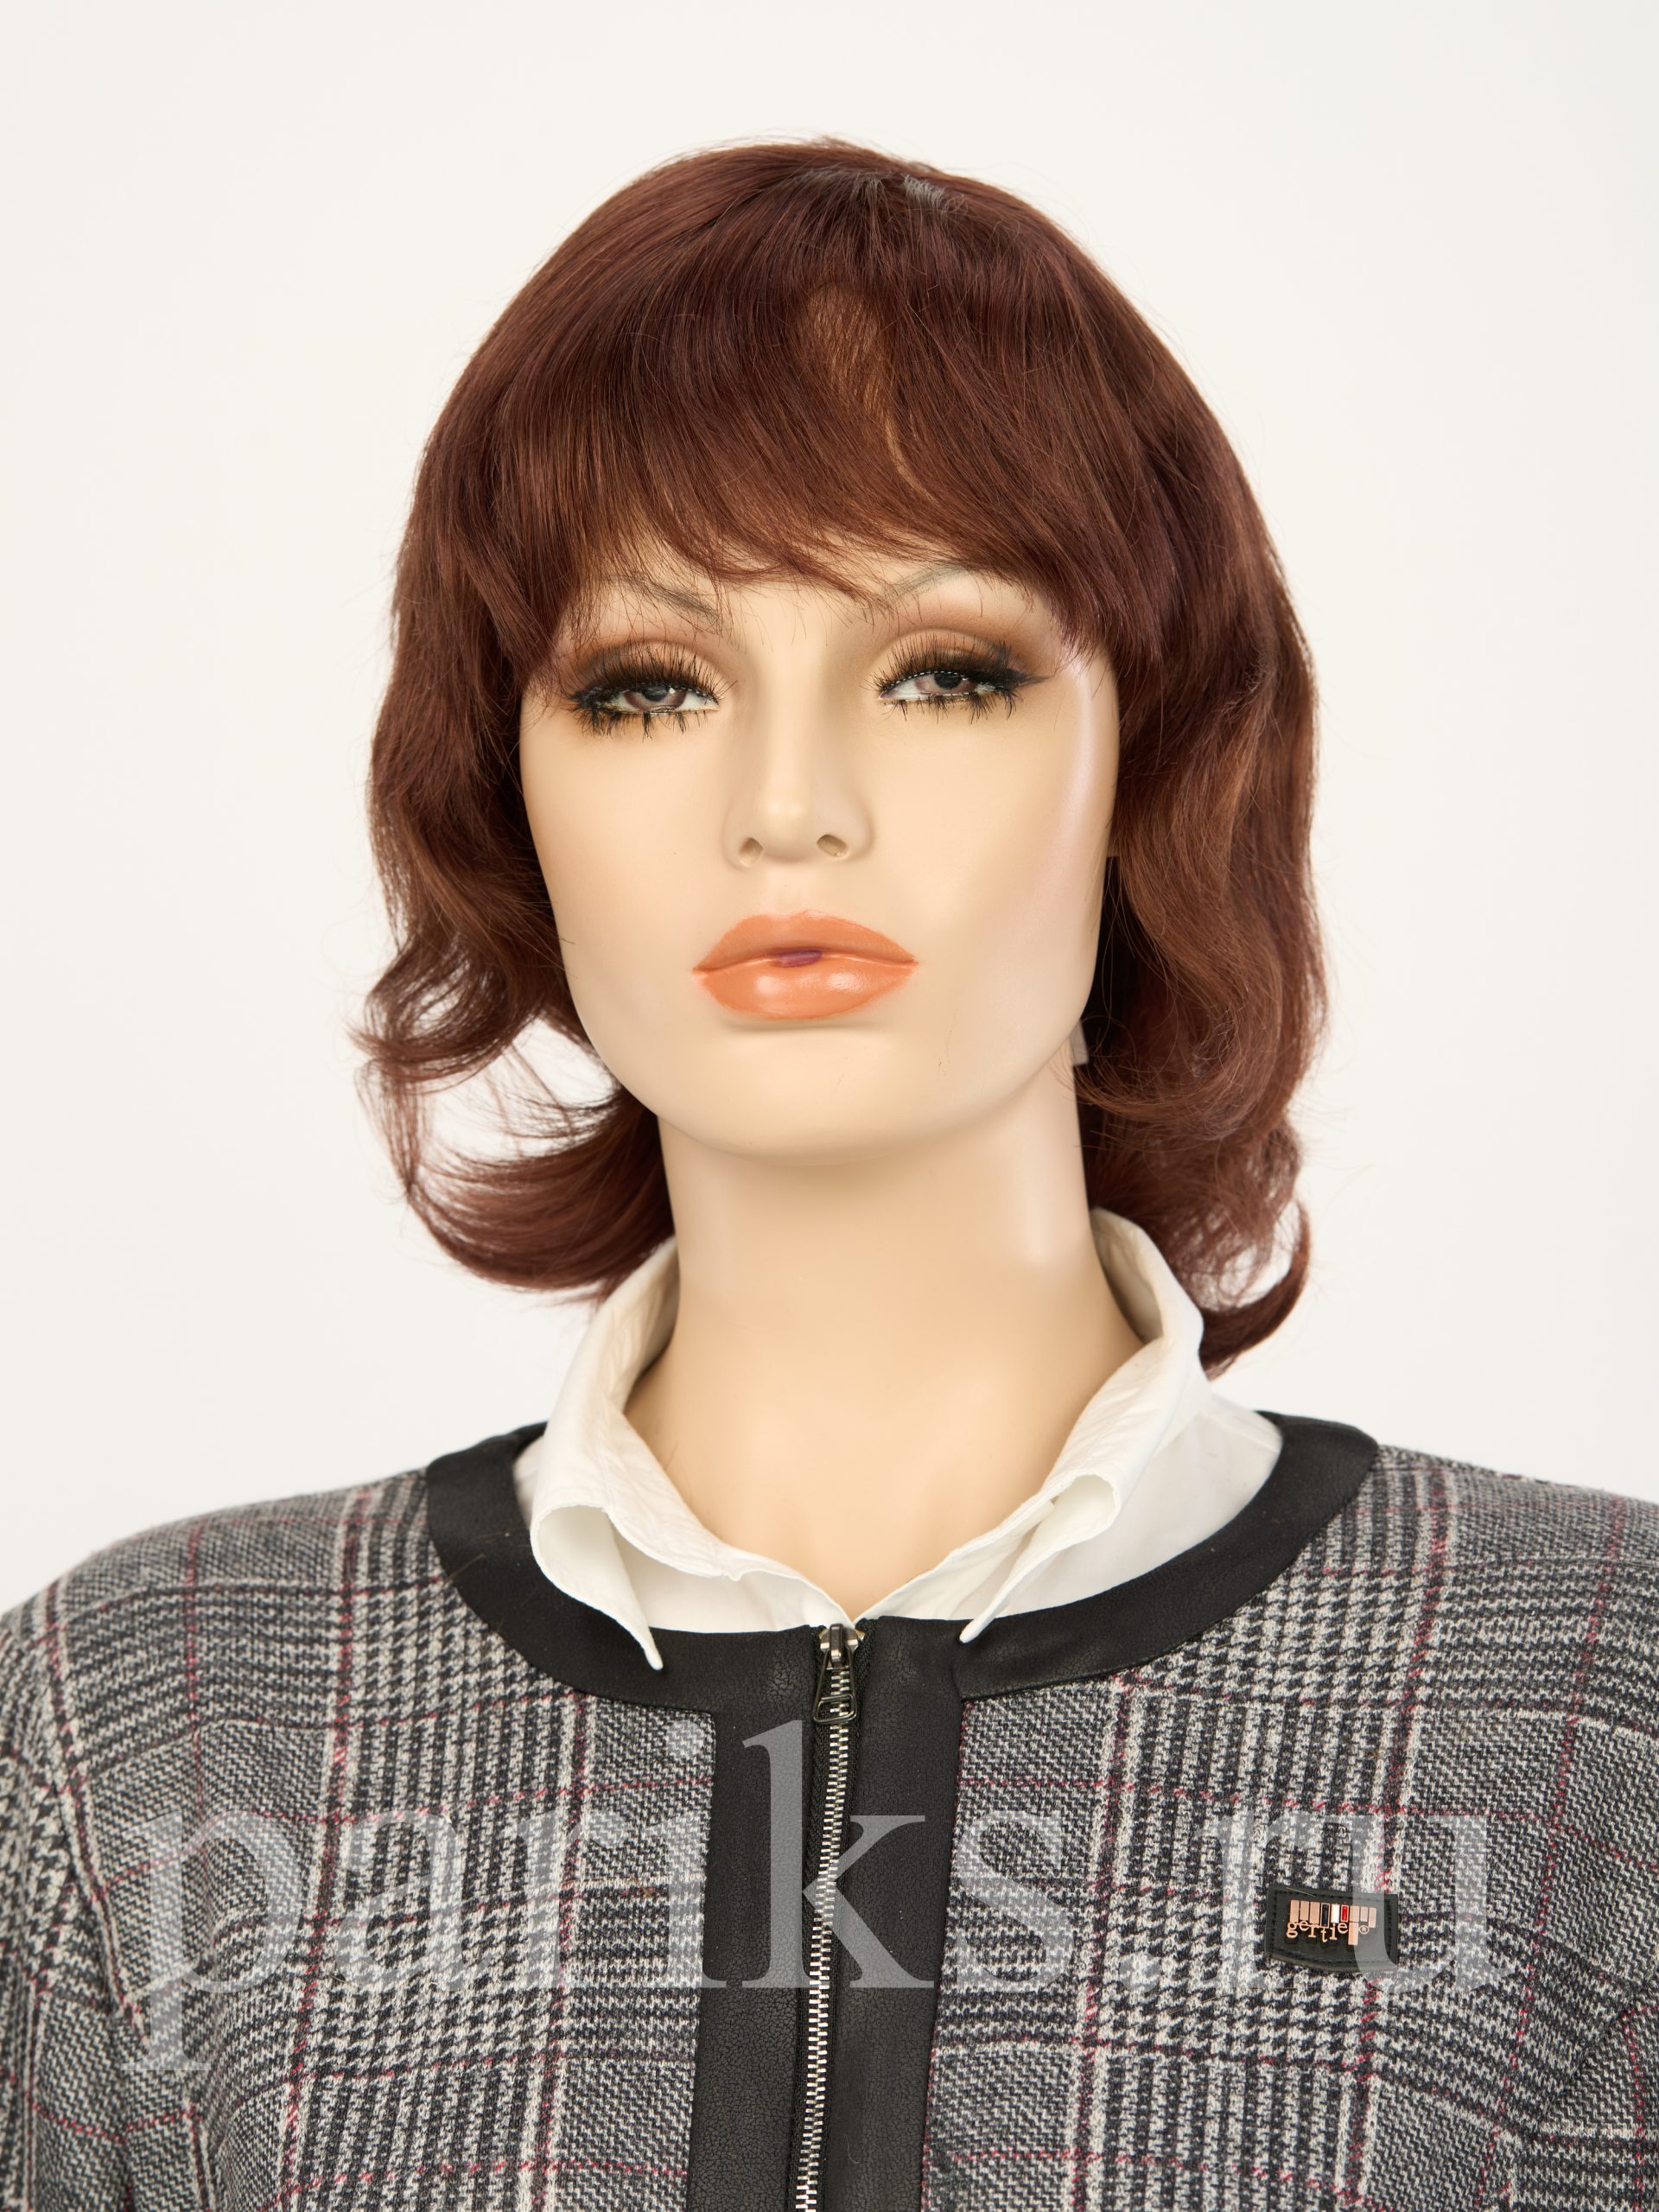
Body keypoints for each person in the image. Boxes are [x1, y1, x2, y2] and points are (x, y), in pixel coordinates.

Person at [2, 137, 1654, 2212]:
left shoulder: (1596, 1705)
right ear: (509, 788)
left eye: (944, 672)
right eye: (649, 686)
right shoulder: (147, 1722)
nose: (788, 806)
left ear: (1151, 755)